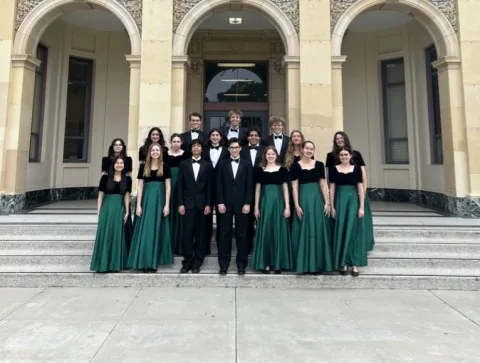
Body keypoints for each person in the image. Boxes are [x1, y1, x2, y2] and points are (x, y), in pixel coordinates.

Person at [325, 131, 374, 251]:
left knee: (358, 221)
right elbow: (328, 177)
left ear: (345, 139)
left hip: (355, 192)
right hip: (339, 193)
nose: (339, 140)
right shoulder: (330, 156)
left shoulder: (356, 154)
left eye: (341, 138)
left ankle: (362, 246)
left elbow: (362, 174)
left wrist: (362, 191)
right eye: (337, 139)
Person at [127, 143, 173, 272]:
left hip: (160, 200)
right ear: (149, 152)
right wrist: (138, 205)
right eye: (153, 150)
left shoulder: (165, 166)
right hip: (146, 201)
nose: (155, 152)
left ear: (161, 152)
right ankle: (144, 262)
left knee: (157, 230)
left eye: (158, 150)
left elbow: (168, 186)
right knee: (146, 231)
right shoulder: (143, 167)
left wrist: (167, 205)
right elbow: (140, 186)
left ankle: (153, 263)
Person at [291, 141, 332, 274]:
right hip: (303, 199)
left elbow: (323, 184)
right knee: (304, 229)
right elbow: (295, 187)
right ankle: (303, 264)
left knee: (318, 229)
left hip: (316, 200)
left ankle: (317, 264)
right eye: (307, 148)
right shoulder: (296, 166)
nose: (309, 151)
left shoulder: (319, 165)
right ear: (302, 150)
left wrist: (327, 202)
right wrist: (296, 205)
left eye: (312, 149)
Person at [252, 147, 292, 273]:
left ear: (276, 155)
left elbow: (285, 189)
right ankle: (266, 263)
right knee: (266, 231)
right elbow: (257, 190)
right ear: (265, 156)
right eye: (268, 154)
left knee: (278, 231)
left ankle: (278, 263)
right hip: (265, 203)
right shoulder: (259, 170)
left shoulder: (283, 169)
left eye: (272, 154)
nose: (270, 156)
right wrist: (256, 207)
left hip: (279, 203)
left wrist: (287, 206)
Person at [216, 137, 253, 275]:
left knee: (242, 235)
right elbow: (218, 185)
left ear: (240, 148)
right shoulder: (222, 163)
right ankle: (223, 265)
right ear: (228, 149)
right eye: (232, 148)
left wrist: (248, 203)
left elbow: (249, 185)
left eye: (237, 147)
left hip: (242, 205)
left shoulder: (247, 164)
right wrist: (219, 202)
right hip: (224, 204)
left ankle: (241, 264)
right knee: (224, 234)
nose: (234, 150)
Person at [329, 147, 368, 276]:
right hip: (339, 201)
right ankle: (343, 263)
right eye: (341, 155)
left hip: (352, 201)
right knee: (341, 230)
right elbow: (332, 188)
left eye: (346, 154)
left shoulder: (356, 169)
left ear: (350, 156)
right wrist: (332, 206)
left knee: (353, 232)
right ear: (339, 157)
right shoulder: (334, 169)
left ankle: (354, 263)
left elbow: (360, 188)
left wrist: (361, 206)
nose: (344, 157)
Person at [177, 140, 213, 273]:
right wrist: (180, 203)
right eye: (194, 146)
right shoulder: (184, 164)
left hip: (202, 205)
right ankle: (187, 262)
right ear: (191, 149)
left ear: (202, 149)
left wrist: (209, 204)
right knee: (187, 234)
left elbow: (210, 186)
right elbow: (180, 185)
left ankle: (198, 262)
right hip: (187, 205)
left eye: (199, 145)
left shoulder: (208, 165)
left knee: (200, 234)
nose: (196, 147)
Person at [91, 156, 131, 273]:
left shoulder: (127, 179)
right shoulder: (105, 178)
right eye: (117, 162)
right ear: (113, 164)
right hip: (107, 208)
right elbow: (100, 196)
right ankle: (102, 264)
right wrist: (99, 211)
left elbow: (127, 196)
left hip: (119, 208)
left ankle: (115, 265)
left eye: (121, 163)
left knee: (117, 235)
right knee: (105, 234)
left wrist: (127, 211)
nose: (119, 164)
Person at [101, 138, 133, 251]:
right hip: (111, 192)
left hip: (122, 191)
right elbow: (104, 177)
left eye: (120, 144)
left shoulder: (128, 160)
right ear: (112, 146)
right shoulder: (106, 160)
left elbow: (129, 175)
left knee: (124, 225)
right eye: (116, 144)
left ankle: (124, 250)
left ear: (123, 146)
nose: (118, 146)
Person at [202, 128, 230, 255]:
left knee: (221, 218)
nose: (214, 137)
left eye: (217, 135)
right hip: (206, 188)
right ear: (209, 137)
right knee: (206, 218)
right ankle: (206, 246)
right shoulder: (204, 151)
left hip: (223, 188)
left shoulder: (226, 151)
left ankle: (221, 246)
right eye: (212, 135)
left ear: (220, 137)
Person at [240, 128, 265, 253]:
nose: (254, 137)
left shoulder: (265, 150)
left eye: (256, 135)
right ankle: (248, 246)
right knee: (247, 220)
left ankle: (261, 246)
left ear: (259, 137)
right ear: (248, 137)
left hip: (263, 188)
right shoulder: (242, 150)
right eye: (251, 135)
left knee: (262, 217)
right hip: (245, 189)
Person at [164, 133, 190, 255]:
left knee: (180, 214)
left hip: (182, 184)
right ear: (171, 142)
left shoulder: (186, 155)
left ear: (181, 142)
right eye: (174, 141)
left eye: (178, 141)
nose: (176, 143)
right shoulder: (165, 155)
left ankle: (179, 245)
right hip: (167, 184)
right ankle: (167, 245)